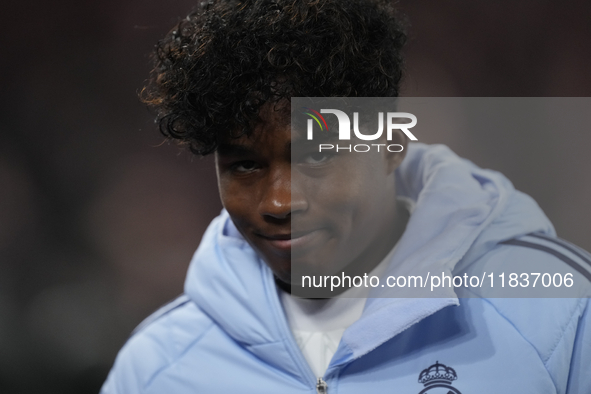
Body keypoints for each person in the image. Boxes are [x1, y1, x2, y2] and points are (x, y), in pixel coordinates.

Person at [101, 0, 591, 393]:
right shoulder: (157, 367)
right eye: (245, 165)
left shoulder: (560, 312)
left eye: (315, 157)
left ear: (391, 146)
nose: (279, 201)